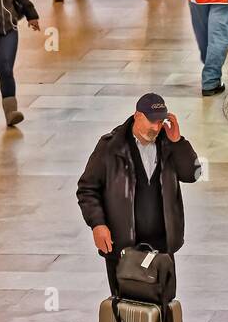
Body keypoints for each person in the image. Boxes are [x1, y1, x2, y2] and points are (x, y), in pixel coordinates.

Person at [75, 92, 202, 297]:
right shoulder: (111, 147)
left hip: (162, 247)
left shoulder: (169, 144)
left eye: (160, 122)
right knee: (127, 310)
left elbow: (193, 174)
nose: (156, 127)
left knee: (164, 307)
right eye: (152, 121)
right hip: (123, 247)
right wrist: (97, 224)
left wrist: (178, 141)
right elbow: (87, 188)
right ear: (137, 116)